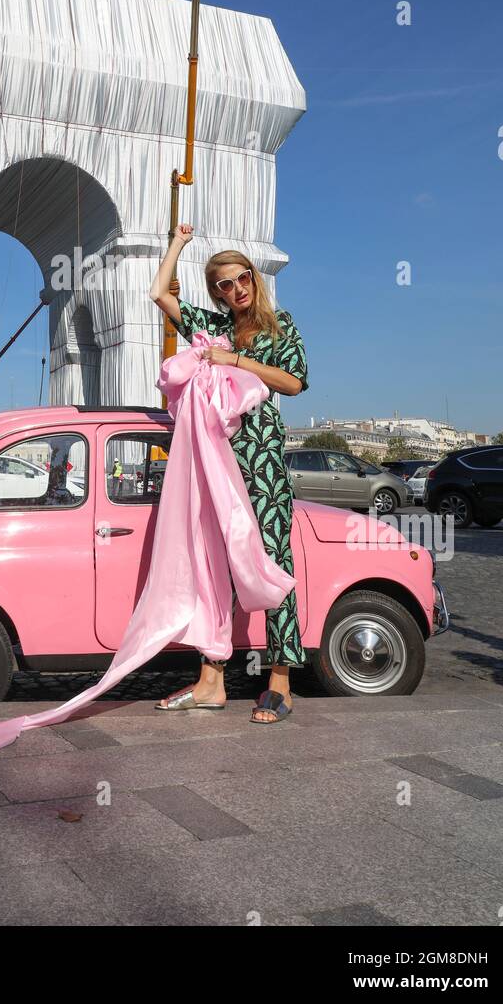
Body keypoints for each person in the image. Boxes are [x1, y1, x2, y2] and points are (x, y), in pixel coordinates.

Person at [149, 222, 309, 723]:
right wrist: (178, 243)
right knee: (211, 564)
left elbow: (294, 383)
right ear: (215, 291)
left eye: (241, 279)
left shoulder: (279, 326)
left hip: (262, 465)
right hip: (217, 463)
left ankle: (280, 682)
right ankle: (211, 680)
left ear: (253, 279)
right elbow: (159, 294)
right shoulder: (211, 327)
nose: (234, 290)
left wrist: (235, 359)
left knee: (274, 564)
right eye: (222, 284)